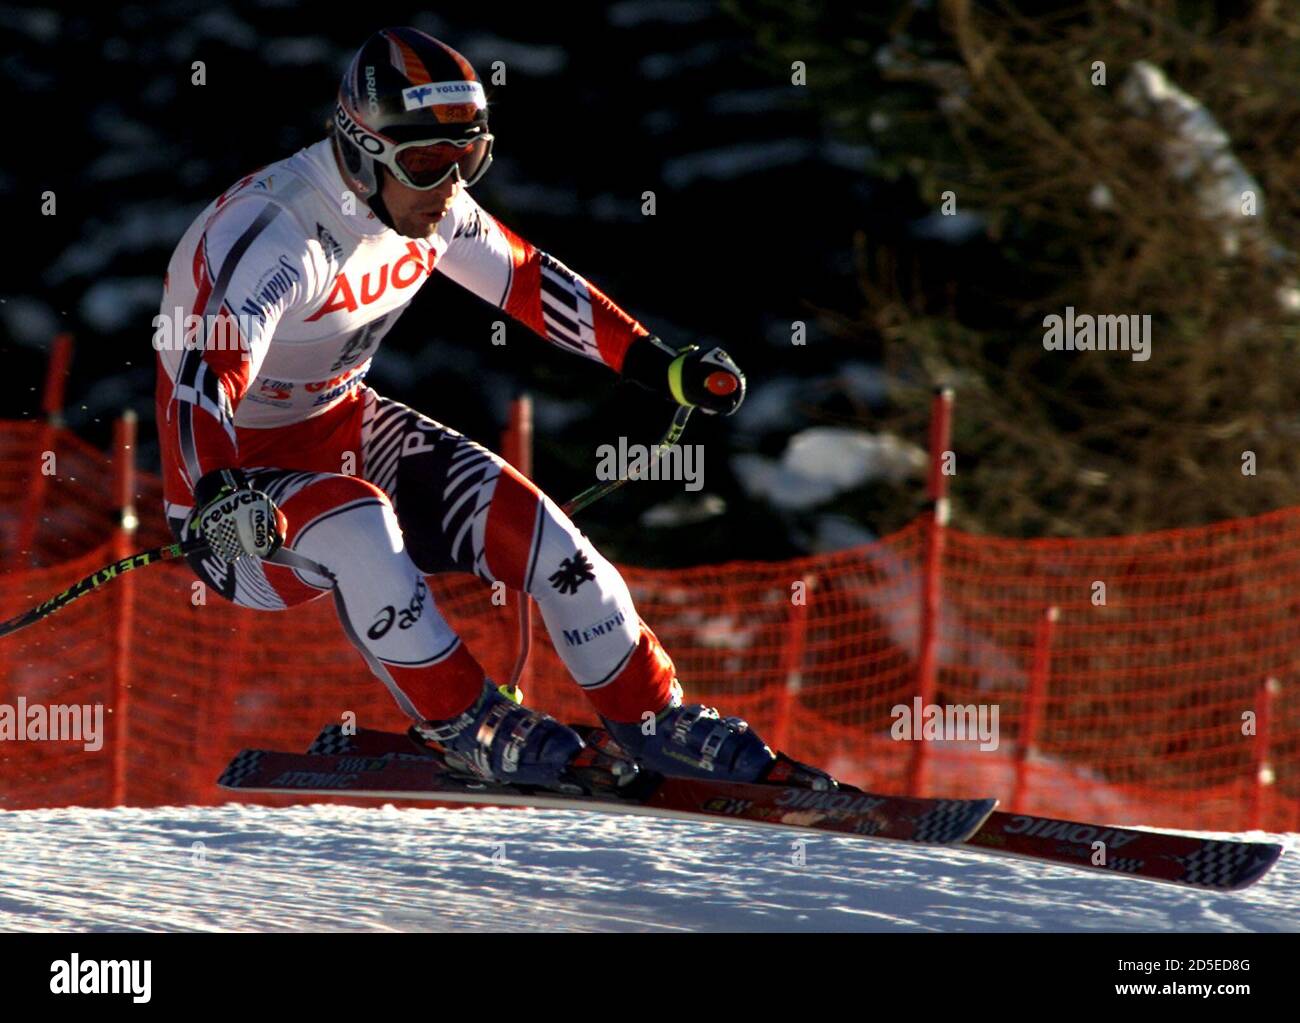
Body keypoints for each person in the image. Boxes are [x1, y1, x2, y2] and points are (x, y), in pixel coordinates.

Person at [155, 27, 828, 791]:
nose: (449, 185)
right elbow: (200, 385)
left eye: (468, 159)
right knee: (359, 518)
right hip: (232, 502)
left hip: (345, 427)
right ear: (361, 149)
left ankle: (653, 719)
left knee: (553, 545)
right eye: (427, 163)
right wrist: (216, 492)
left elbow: (527, 282)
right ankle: (461, 720)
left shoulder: (427, 209)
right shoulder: (278, 234)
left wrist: (657, 364)